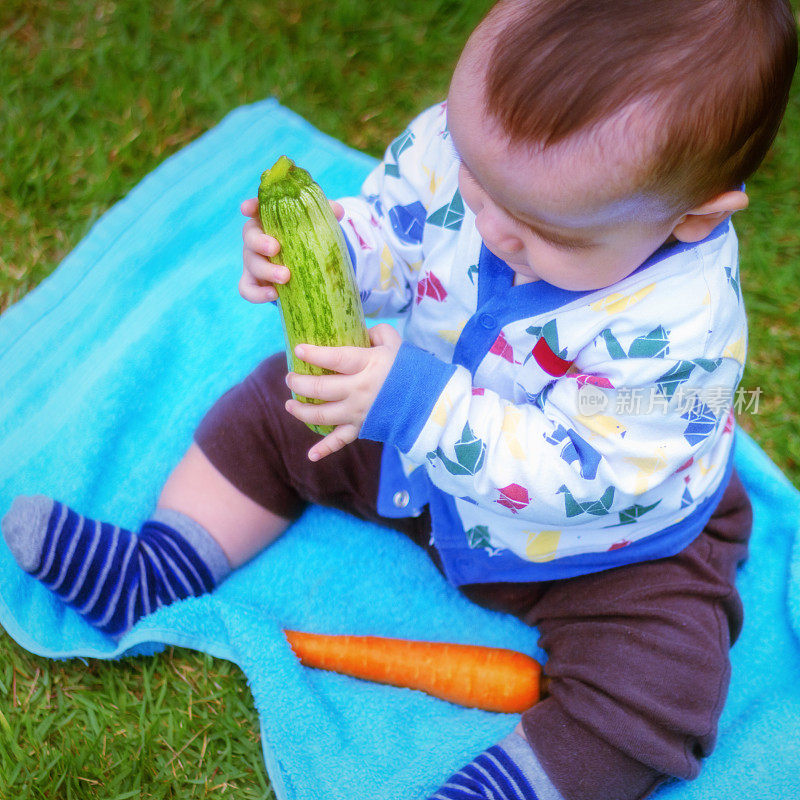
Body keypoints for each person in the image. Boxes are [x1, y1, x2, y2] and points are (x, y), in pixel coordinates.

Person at [3, 1, 797, 797]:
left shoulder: (680, 330)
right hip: (414, 442)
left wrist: (421, 406)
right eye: (476, 183)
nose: (489, 229)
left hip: (604, 543)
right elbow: (400, 228)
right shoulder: (467, 150)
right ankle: (156, 566)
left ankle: (517, 783)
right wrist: (333, 254)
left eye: (543, 231)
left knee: (664, 685)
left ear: (693, 218)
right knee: (283, 403)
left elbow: (588, 475)